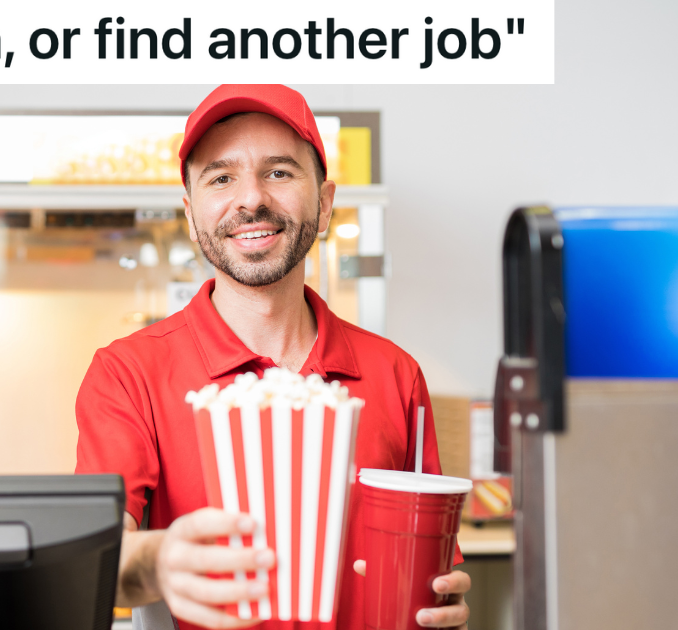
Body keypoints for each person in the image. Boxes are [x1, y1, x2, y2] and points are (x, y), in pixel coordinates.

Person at [75, 84, 471, 630]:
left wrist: (444, 606)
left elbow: (433, 566)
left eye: (279, 172)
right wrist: (158, 559)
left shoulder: (396, 373)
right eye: (221, 177)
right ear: (192, 216)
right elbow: (100, 555)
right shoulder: (127, 373)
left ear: (326, 202)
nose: (251, 199)